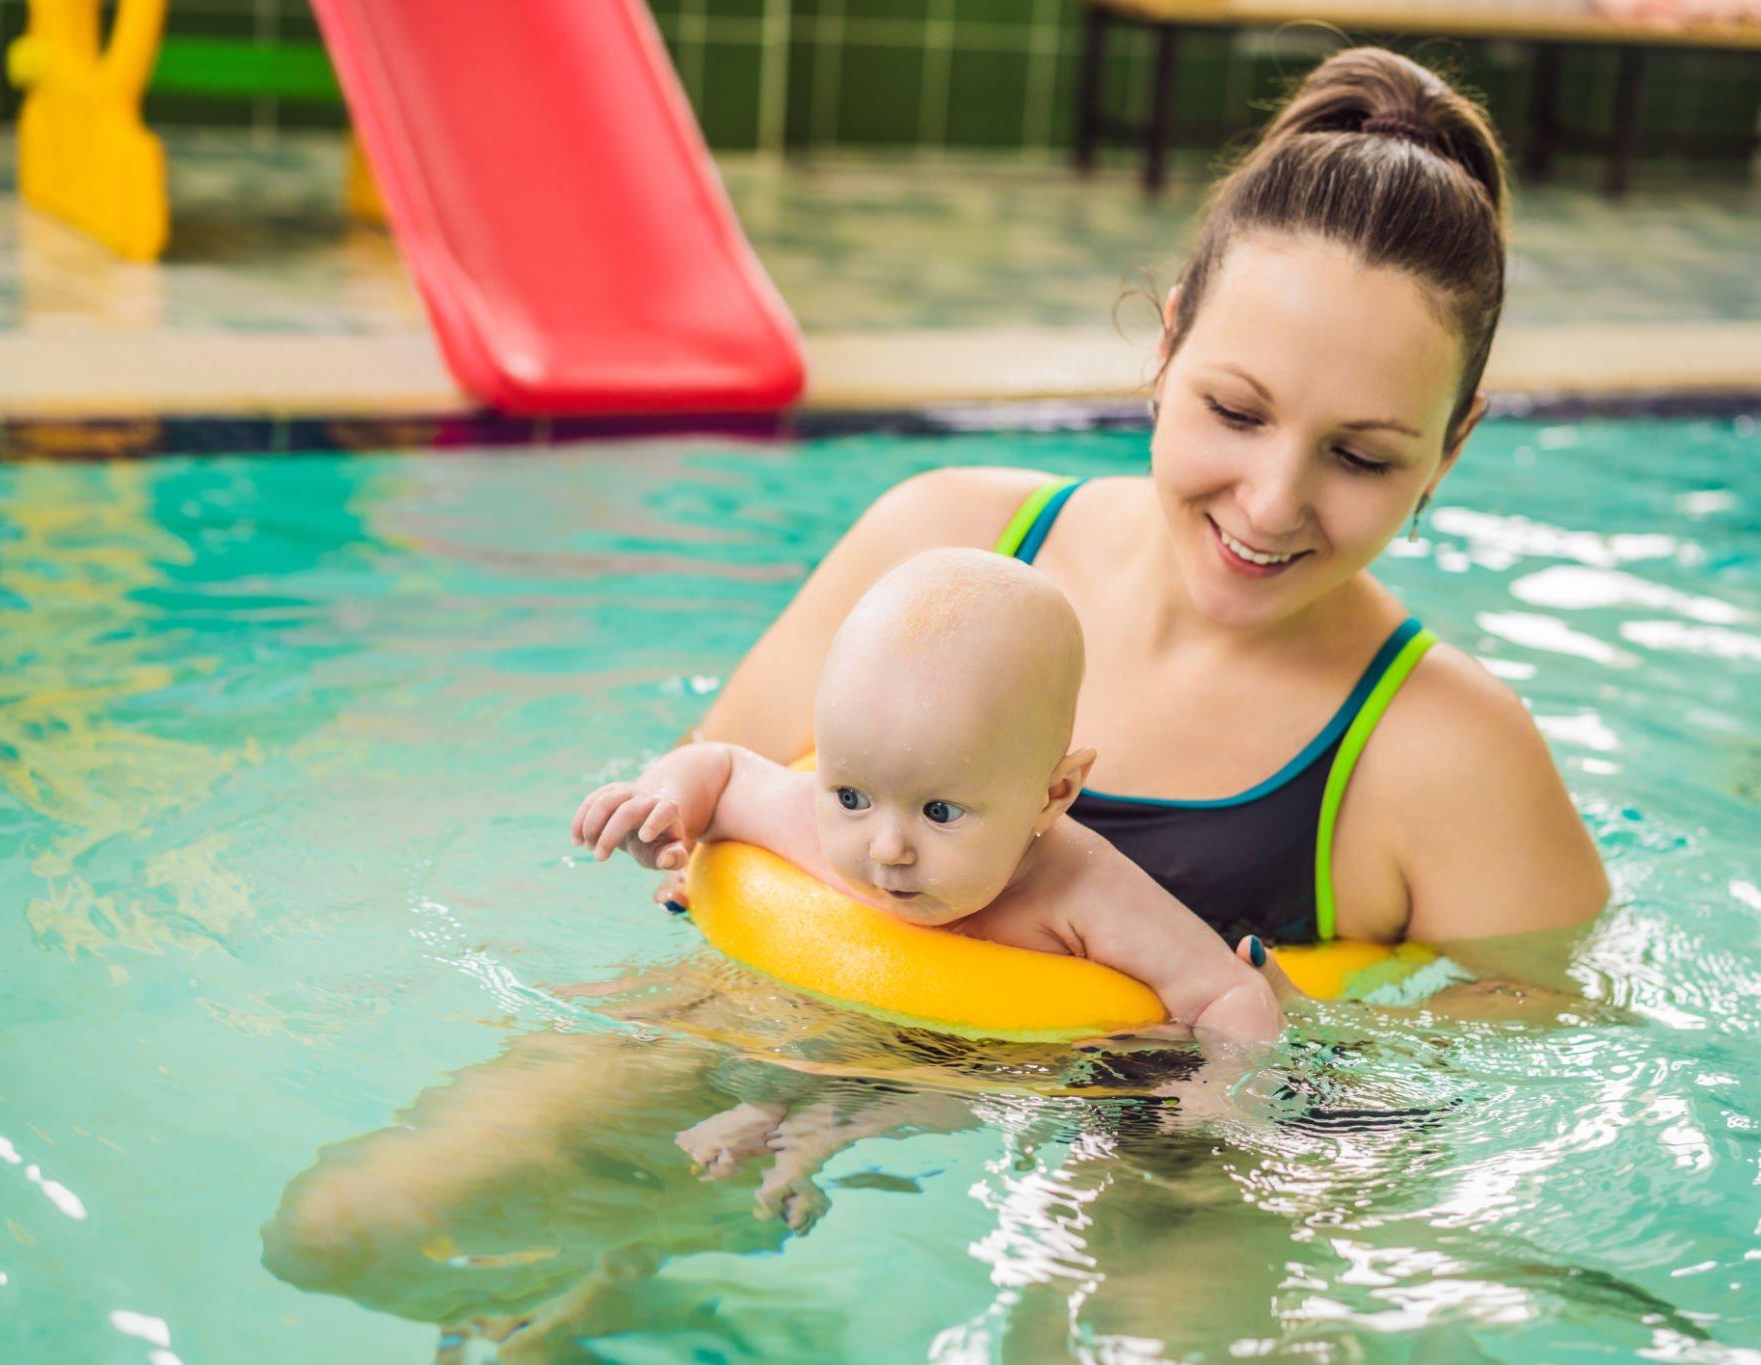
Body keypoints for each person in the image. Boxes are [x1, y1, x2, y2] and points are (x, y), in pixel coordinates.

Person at [673, 48, 1609, 972]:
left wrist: (1291, 1039)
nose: (1273, 502)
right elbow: (690, 836)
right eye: (1236, 412)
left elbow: (1550, 1028)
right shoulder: (935, 550)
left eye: (1360, 455)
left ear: (1451, 447)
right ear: (1168, 347)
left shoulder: (1452, 756)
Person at [575, 548, 1293, 1197]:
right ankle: (775, 1113)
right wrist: (662, 800)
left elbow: (1229, 991)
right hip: (811, 1019)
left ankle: (814, 1126)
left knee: (955, 1091)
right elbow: (725, 767)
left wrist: (1220, 1098)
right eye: (851, 795)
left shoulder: (1085, 889)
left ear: (1055, 794)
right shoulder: (809, 818)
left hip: (982, 1073)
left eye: (941, 811)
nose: (887, 848)